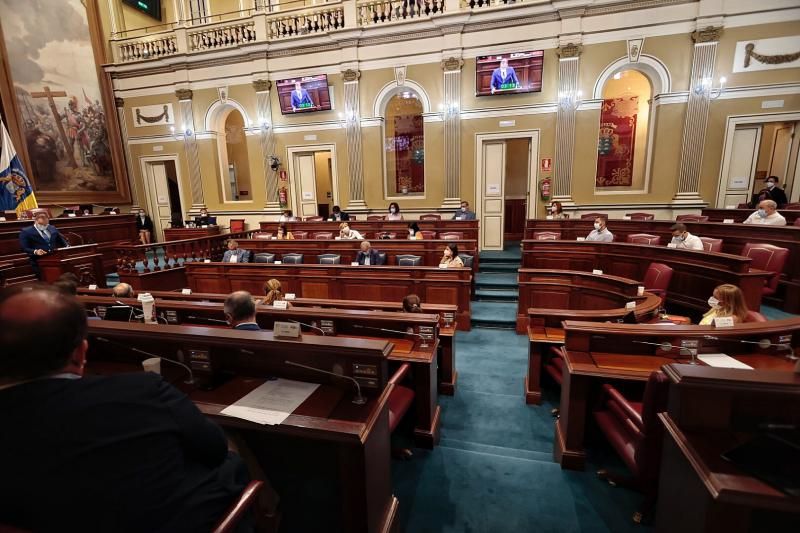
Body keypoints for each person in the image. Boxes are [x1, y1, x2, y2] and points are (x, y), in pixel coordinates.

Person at [0, 285, 252, 532]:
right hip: (182, 520)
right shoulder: (142, 390)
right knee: (230, 447)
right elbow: (214, 449)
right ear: (80, 353)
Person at [19, 211, 69, 279]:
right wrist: (35, 251)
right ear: (35, 221)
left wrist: (67, 247)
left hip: (54, 260)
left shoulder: (52, 228)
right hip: (39, 261)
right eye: (41, 225)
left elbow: (62, 241)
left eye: (45, 225)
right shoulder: (26, 232)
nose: (44, 227)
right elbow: (24, 248)